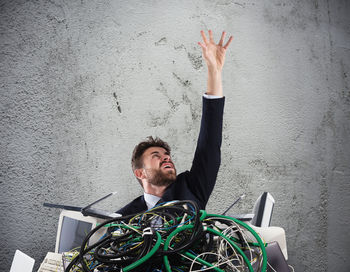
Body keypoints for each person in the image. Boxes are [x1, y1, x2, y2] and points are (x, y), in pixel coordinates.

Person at [117, 29, 233, 216]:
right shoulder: (122, 219)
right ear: (141, 173)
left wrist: (214, 70)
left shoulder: (191, 188)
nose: (166, 157)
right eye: (156, 155)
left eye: (166, 154)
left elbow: (209, 145)